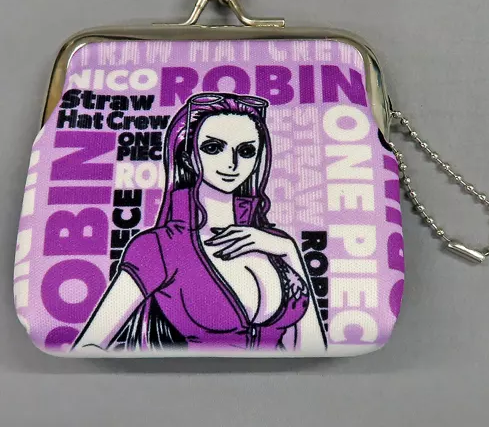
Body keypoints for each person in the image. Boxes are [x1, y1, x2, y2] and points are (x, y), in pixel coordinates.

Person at [73, 93, 325, 352]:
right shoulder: (159, 248)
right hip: (195, 376)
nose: (232, 163)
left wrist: (289, 251)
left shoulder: (275, 244)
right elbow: (89, 344)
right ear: (188, 157)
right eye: (213, 148)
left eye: (246, 151)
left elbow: (314, 348)